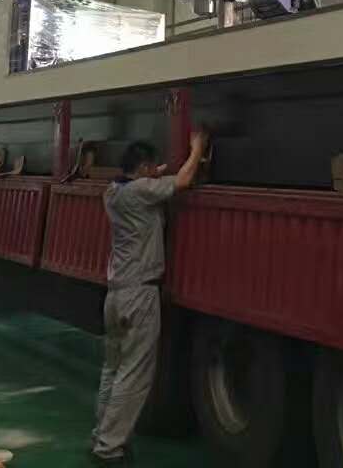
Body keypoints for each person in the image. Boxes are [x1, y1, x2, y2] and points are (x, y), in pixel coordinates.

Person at [91, 132, 209, 463]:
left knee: (112, 369)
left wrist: (154, 171)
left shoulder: (112, 192)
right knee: (134, 374)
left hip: (115, 294)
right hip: (140, 294)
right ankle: (109, 448)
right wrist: (197, 148)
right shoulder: (142, 192)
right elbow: (183, 181)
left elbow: (145, 181)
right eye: (150, 168)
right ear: (143, 168)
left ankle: (100, 435)